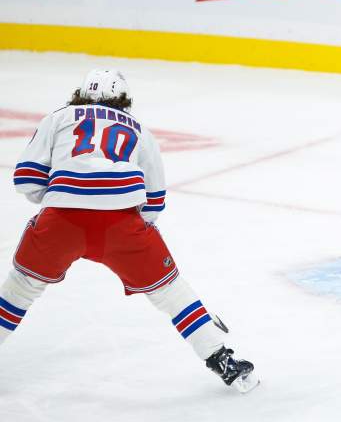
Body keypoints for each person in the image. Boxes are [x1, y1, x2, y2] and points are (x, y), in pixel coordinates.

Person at [0, 69, 259, 392]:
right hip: (121, 224)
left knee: (21, 289)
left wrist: (61, 201)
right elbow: (154, 201)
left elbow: (26, 179)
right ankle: (222, 359)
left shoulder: (59, 117)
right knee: (171, 292)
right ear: (123, 99)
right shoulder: (140, 130)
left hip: (61, 221)